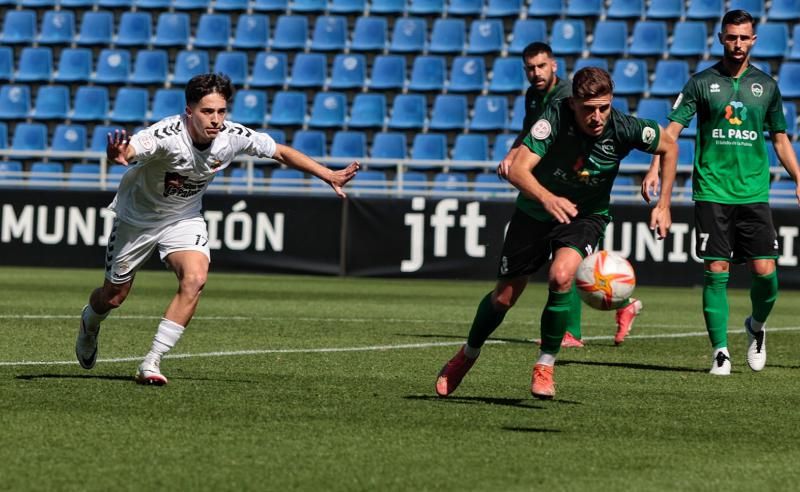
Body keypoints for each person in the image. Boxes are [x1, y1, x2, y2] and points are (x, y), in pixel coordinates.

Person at [75, 73, 359, 385]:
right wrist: (117, 155)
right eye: (207, 112)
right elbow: (129, 151)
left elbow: (279, 151)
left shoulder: (231, 136)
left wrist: (327, 174)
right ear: (189, 111)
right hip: (136, 219)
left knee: (195, 279)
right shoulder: (166, 135)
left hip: (183, 217)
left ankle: (152, 362)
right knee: (114, 297)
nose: (216, 120)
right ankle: (90, 321)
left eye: (221, 111)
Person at [437, 67, 677, 399]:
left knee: (561, 276)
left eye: (603, 107)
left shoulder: (624, 127)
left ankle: (545, 364)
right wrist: (548, 198)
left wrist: (664, 203)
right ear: (573, 104)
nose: (597, 116)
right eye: (588, 108)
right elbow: (518, 170)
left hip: (585, 216)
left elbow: (669, 146)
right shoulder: (553, 119)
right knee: (504, 297)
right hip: (536, 211)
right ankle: (468, 354)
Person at [643, 10, 800, 376]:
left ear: (754, 40)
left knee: (765, 273)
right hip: (712, 190)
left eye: (744, 37)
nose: (738, 44)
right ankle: (720, 352)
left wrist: (797, 176)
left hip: (753, 192)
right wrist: (654, 165)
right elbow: (672, 130)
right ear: (721, 38)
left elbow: (780, 139)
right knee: (716, 269)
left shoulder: (767, 86)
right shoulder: (701, 83)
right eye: (732, 37)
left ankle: (756, 327)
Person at [498, 42, 644, 350]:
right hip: (558, 187)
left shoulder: (569, 97)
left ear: (553, 65)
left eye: (540, 66)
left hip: (578, 189)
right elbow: (530, 131)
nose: (535, 73)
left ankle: (572, 332)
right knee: (569, 267)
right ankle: (624, 304)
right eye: (530, 68)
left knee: (567, 266)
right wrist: (513, 155)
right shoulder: (534, 96)